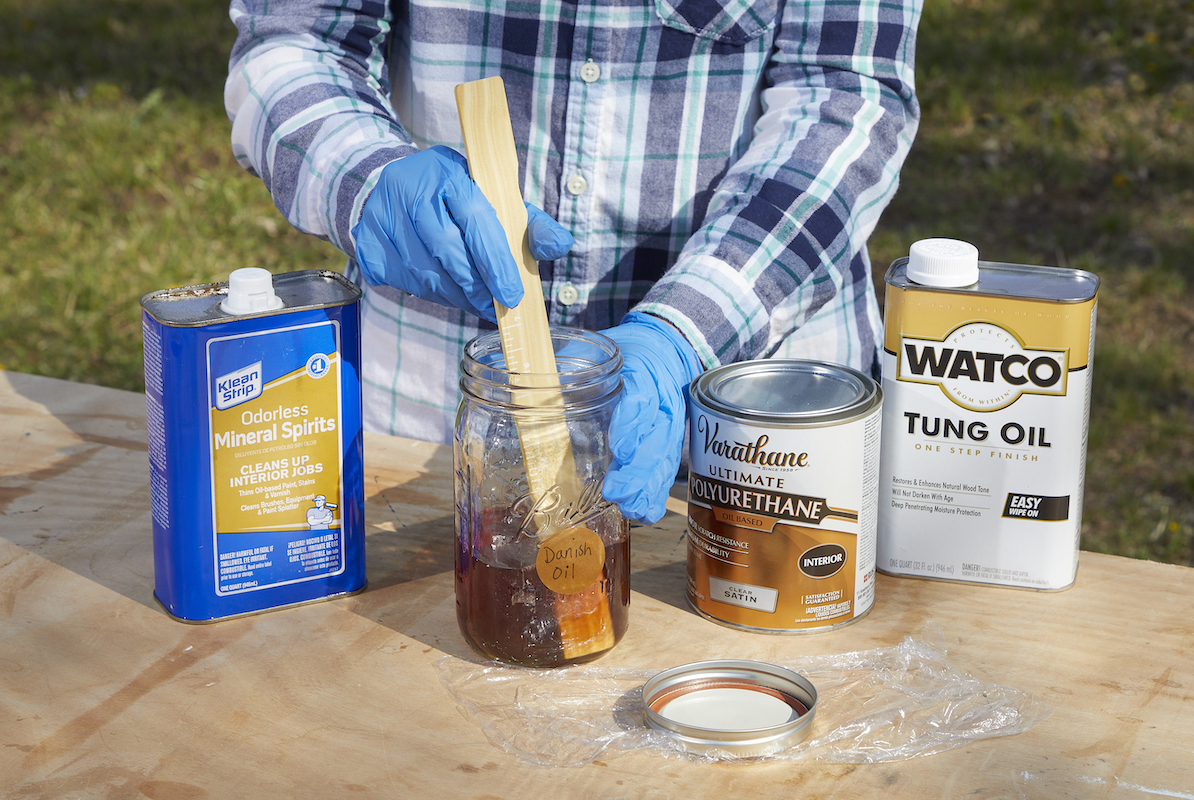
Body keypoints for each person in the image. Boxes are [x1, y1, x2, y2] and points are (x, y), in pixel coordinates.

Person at [224, 0, 921, 526]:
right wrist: (365, 177)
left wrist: (684, 334)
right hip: (429, 423)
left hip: (757, 421)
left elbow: (848, 101)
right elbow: (292, 43)